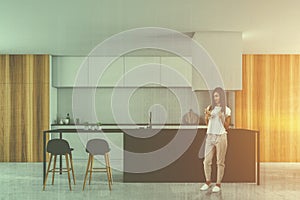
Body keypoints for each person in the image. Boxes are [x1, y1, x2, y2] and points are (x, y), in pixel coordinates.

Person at [200, 87, 231, 193]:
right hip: (210, 136)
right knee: (206, 161)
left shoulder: (226, 110)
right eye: (214, 96)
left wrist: (222, 117)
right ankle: (208, 182)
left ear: (221, 96)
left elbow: (227, 127)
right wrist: (206, 116)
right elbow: (207, 124)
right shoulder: (210, 107)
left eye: (217, 96)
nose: (215, 98)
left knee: (220, 162)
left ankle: (218, 184)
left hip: (221, 137)